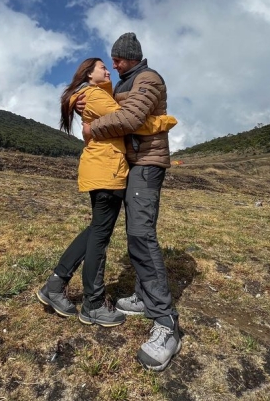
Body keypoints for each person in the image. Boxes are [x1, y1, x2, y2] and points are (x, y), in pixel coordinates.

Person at [36, 58, 176, 328]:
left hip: (101, 167)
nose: (108, 70)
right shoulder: (96, 96)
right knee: (99, 236)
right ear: (89, 74)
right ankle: (94, 303)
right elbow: (130, 121)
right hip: (107, 170)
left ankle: (55, 284)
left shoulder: (92, 94)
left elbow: (110, 107)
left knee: (95, 230)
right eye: (102, 67)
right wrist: (163, 122)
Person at [77, 33, 182, 371]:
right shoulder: (126, 83)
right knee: (135, 231)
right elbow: (108, 104)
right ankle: (142, 294)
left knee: (140, 234)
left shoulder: (147, 79)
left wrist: (92, 128)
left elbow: (129, 119)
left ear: (130, 57)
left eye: (117, 59)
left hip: (148, 164)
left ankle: (166, 322)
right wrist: (81, 102)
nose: (113, 65)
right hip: (134, 164)